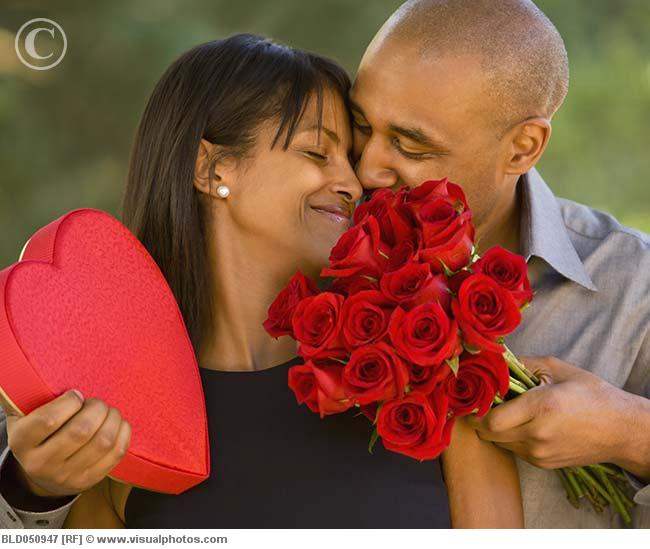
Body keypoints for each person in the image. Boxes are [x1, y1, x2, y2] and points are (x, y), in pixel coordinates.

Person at [0, 34, 523, 529]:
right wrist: (35, 486)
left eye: (350, 159)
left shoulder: (427, 373)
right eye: (318, 153)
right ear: (214, 168)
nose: (352, 183)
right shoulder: (120, 428)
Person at [348, 0, 650, 528]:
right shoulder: (323, 249)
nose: (368, 168)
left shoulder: (635, 287)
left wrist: (631, 433)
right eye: (360, 126)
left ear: (522, 148)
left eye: (410, 146)